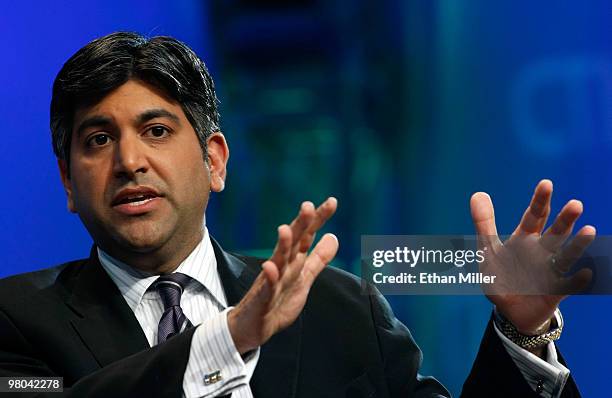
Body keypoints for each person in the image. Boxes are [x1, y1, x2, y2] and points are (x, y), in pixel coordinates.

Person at [0, 32, 593, 397]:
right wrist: (227, 339)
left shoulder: (340, 310)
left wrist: (523, 333)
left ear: (214, 161)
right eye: (97, 140)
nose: (129, 161)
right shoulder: (17, 321)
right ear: (68, 183)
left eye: (156, 131)